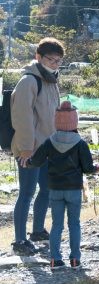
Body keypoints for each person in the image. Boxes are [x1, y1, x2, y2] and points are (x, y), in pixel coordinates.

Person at [27, 101, 99, 270]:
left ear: (57, 121)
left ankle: (55, 260)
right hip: (74, 190)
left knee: (56, 225)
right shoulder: (80, 143)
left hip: (55, 189)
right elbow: (88, 168)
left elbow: (36, 161)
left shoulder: (49, 141)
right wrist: (96, 168)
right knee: (74, 224)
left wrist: (27, 161)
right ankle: (75, 259)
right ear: (74, 121)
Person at [10, 37, 64, 256]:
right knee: (27, 192)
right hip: (29, 148)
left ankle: (38, 230)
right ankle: (19, 240)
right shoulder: (29, 81)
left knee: (47, 189)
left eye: (59, 61)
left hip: (47, 147)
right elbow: (21, 118)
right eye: (51, 59)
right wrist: (25, 148)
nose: (55, 64)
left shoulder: (51, 80)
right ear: (38, 57)